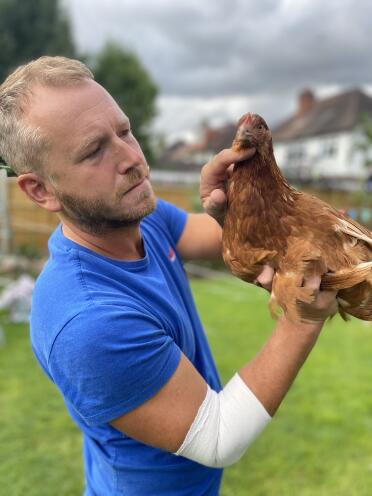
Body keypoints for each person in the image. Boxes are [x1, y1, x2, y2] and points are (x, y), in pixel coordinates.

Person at [0, 57, 337, 496]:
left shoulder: (141, 217)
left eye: (124, 131)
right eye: (93, 150)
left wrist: (237, 206)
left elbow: (211, 236)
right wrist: (302, 320)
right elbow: (218, 436)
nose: (131, 159)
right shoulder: (85, 321)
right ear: (40, 190)